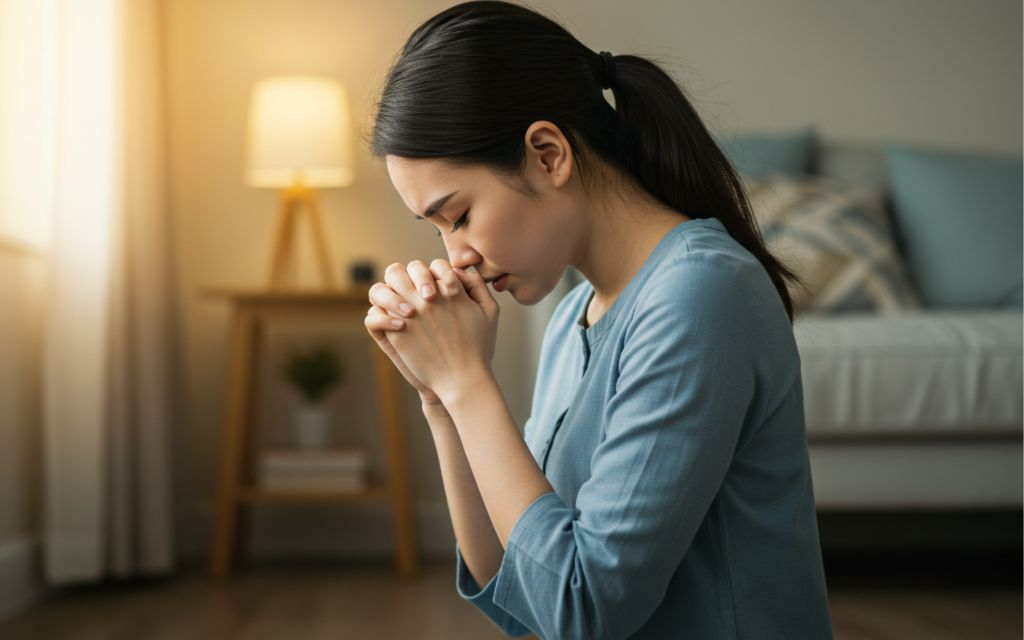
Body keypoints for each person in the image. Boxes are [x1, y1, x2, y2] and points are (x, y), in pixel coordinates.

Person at [362, 1, 834, 638]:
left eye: (461, 215)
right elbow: (517, 592)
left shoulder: (700, 293)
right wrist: (440, 398)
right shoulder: (572, 319)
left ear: (548, 154)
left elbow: (583, 611)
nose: (457, 256)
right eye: (439, 229)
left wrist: (469, 386)